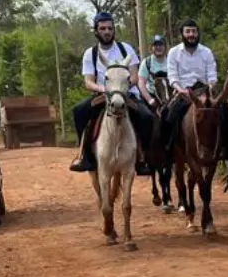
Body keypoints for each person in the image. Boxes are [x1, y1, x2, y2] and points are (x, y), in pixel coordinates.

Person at [68, 12, 153, 175]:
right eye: (103, 28)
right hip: (102, 94)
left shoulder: (125, 49)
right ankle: (84, 155)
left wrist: (122, 89)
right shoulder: (90, 54)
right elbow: (89, 81)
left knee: (146, 117)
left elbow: (134, 76)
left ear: (114, 30)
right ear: (96, 31)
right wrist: (105, 90)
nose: (107, 31)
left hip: (127, 93)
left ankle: (143, 158)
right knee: (79, 111)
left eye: (110, 28)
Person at [162, 19, 218, 148]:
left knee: (225, 111)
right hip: (183, 92)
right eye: (188, 31)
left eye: (194, 31)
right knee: (168, 114)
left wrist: (208, 91)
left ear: (198, 33)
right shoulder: (173, 52)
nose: (191, 35)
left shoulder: (206, 52)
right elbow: (172, 76)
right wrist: (180, 90)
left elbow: (212, 75)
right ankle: (170, 148)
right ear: (182, 34)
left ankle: (225, 149)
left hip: (204, 92)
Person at [139, 35, 169, 111]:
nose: (158, 47)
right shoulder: (146, 62)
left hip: (169, 95)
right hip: (152, 95)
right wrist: (149, 99)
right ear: (151, 47)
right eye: (155, 45)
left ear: (165, 47)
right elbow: (141, 83)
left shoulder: (171, 61)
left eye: (161, 45)